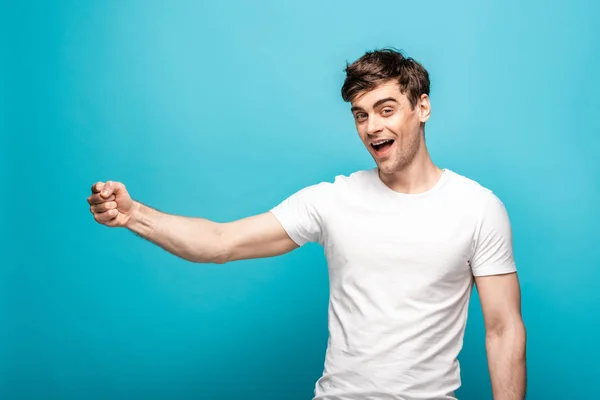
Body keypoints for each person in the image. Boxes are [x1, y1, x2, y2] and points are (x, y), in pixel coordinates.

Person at [87, 48, 526, 400]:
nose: (372, 126)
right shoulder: (332, 200)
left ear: (422, 107)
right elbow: (221, 242)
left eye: (386, 109)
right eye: (360, 114)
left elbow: (503, 328)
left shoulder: (478, 208)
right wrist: (134, 215)